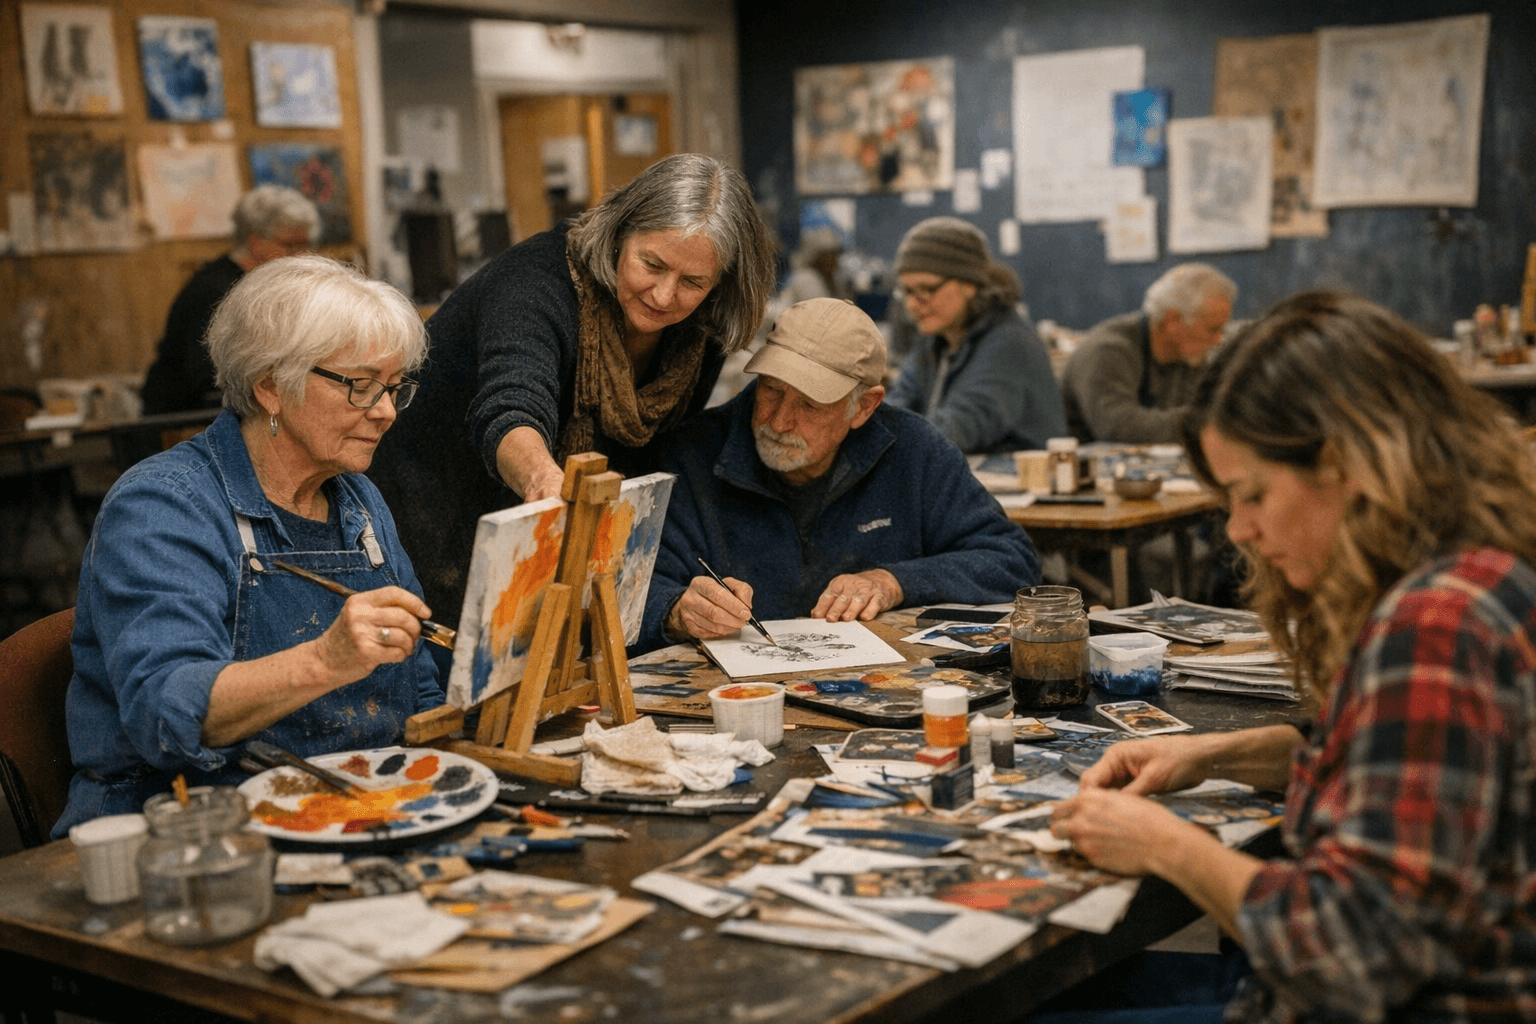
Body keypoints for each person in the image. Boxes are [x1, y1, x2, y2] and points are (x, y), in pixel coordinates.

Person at [1042, 291, 1536, 1023]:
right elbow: (1405, 765)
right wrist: (1221, 755)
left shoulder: (1435, 625)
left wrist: (1164, 845)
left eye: (1253, 494)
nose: (1238, 530)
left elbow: (1352, 953)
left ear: (1345, 462)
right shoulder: (1481, 568)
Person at [54, 255, 443, 836]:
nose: (385, 412)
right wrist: (324, 660)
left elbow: (418, 685)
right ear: (270, 387)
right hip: (185, 831)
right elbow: (166, 710)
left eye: (393, 388)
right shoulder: (163, 506)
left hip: (346, 805)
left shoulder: (356, 500)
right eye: (360, 386)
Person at [370, 154, 778, 624]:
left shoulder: (701, 328)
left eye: (692, 281)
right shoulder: (534, 284)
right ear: (621, 232)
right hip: (432, 521)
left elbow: (658, 453)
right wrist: (543, 477)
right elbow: (511, 403)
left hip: (555, 556)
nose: (665, 296)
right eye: (652, 264)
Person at [639, 297, 1039, 652]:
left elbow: (1011, 561)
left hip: (885, 692)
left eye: (809, 405)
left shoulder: (914, 451)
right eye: (771, 390)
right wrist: (677, 610)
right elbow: (627, 590)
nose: (779, 421)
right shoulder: (692, 454)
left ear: (864, 407)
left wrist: (892, 581)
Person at [886, 217, 1065, 453]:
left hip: (1018, 479)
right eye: (907, 291)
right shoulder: (934, 341)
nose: (912, 304)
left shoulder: (1009, 342)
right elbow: (893, 412)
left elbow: (958, 429)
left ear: (968, 285)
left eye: (926, 290)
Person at [139, 185, 321, 415]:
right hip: (182, 422)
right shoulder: (215, 291)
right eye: (291, 245)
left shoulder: (259, 283)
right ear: (255, 242)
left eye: (306, 244)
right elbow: (209, 377)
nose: (303, 255)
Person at [1060, 262, 1235, 443]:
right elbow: (1118, 426)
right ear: (1173, 321)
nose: (1218, 340)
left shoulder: (1187, 353)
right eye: (1213, 330)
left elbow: (1203, 406)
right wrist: (1210, 422)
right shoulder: (1108, 350)